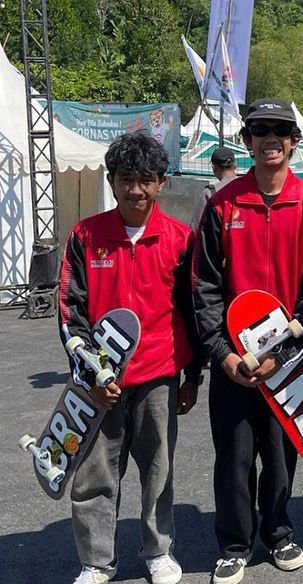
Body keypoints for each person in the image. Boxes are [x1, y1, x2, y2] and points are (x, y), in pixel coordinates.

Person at [192, 98, 303, 582]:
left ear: (294, 142)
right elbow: (204, 286)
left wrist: (287, 355)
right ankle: (234, 542)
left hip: (288, 363)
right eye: (260, 130)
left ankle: (279, 532)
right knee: (233, 454)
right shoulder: (221, 204)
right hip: (234, 363)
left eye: (280, 130)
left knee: (280, 452)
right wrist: (222, 355)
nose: (270, 137)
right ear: (247, 142)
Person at [59, 132, 201, 584]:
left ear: (161, 182)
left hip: (159, 376)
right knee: (93, 474)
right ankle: (96, 561)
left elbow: (194, 314)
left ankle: (158, 552)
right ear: (111, 180)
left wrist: (193, 376)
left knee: (158, 470)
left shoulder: (180, 239)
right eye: (125, 179)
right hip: (98, 383)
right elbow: (69, 311)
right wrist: (91, 371)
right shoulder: (86, 235)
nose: (135, 190)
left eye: (145, 180)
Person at [191, 146, 238, 230]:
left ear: (214, 168)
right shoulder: (249, 189)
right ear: (235, 165)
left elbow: (196, 228)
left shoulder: (210, 193)